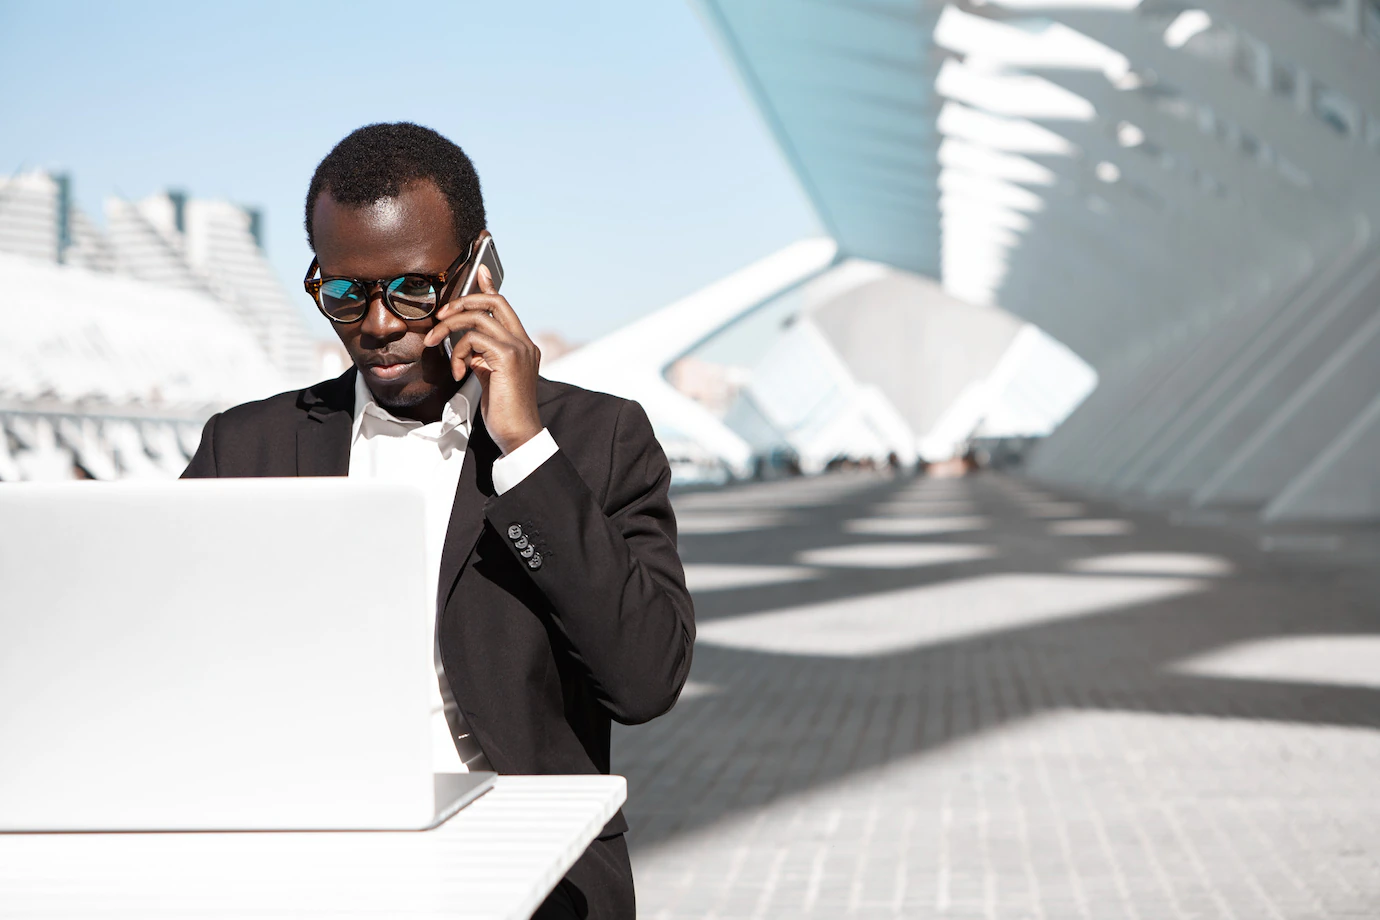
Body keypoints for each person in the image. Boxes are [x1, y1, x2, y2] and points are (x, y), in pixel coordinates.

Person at [182, 122, 694, 919]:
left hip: (532, 879)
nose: (379, 326)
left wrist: (525, 450)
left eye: (412, 290)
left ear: (479, 269)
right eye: (344, 295)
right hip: (308, 875)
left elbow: (646, 678)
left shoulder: (598, 442)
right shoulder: (242, 448)